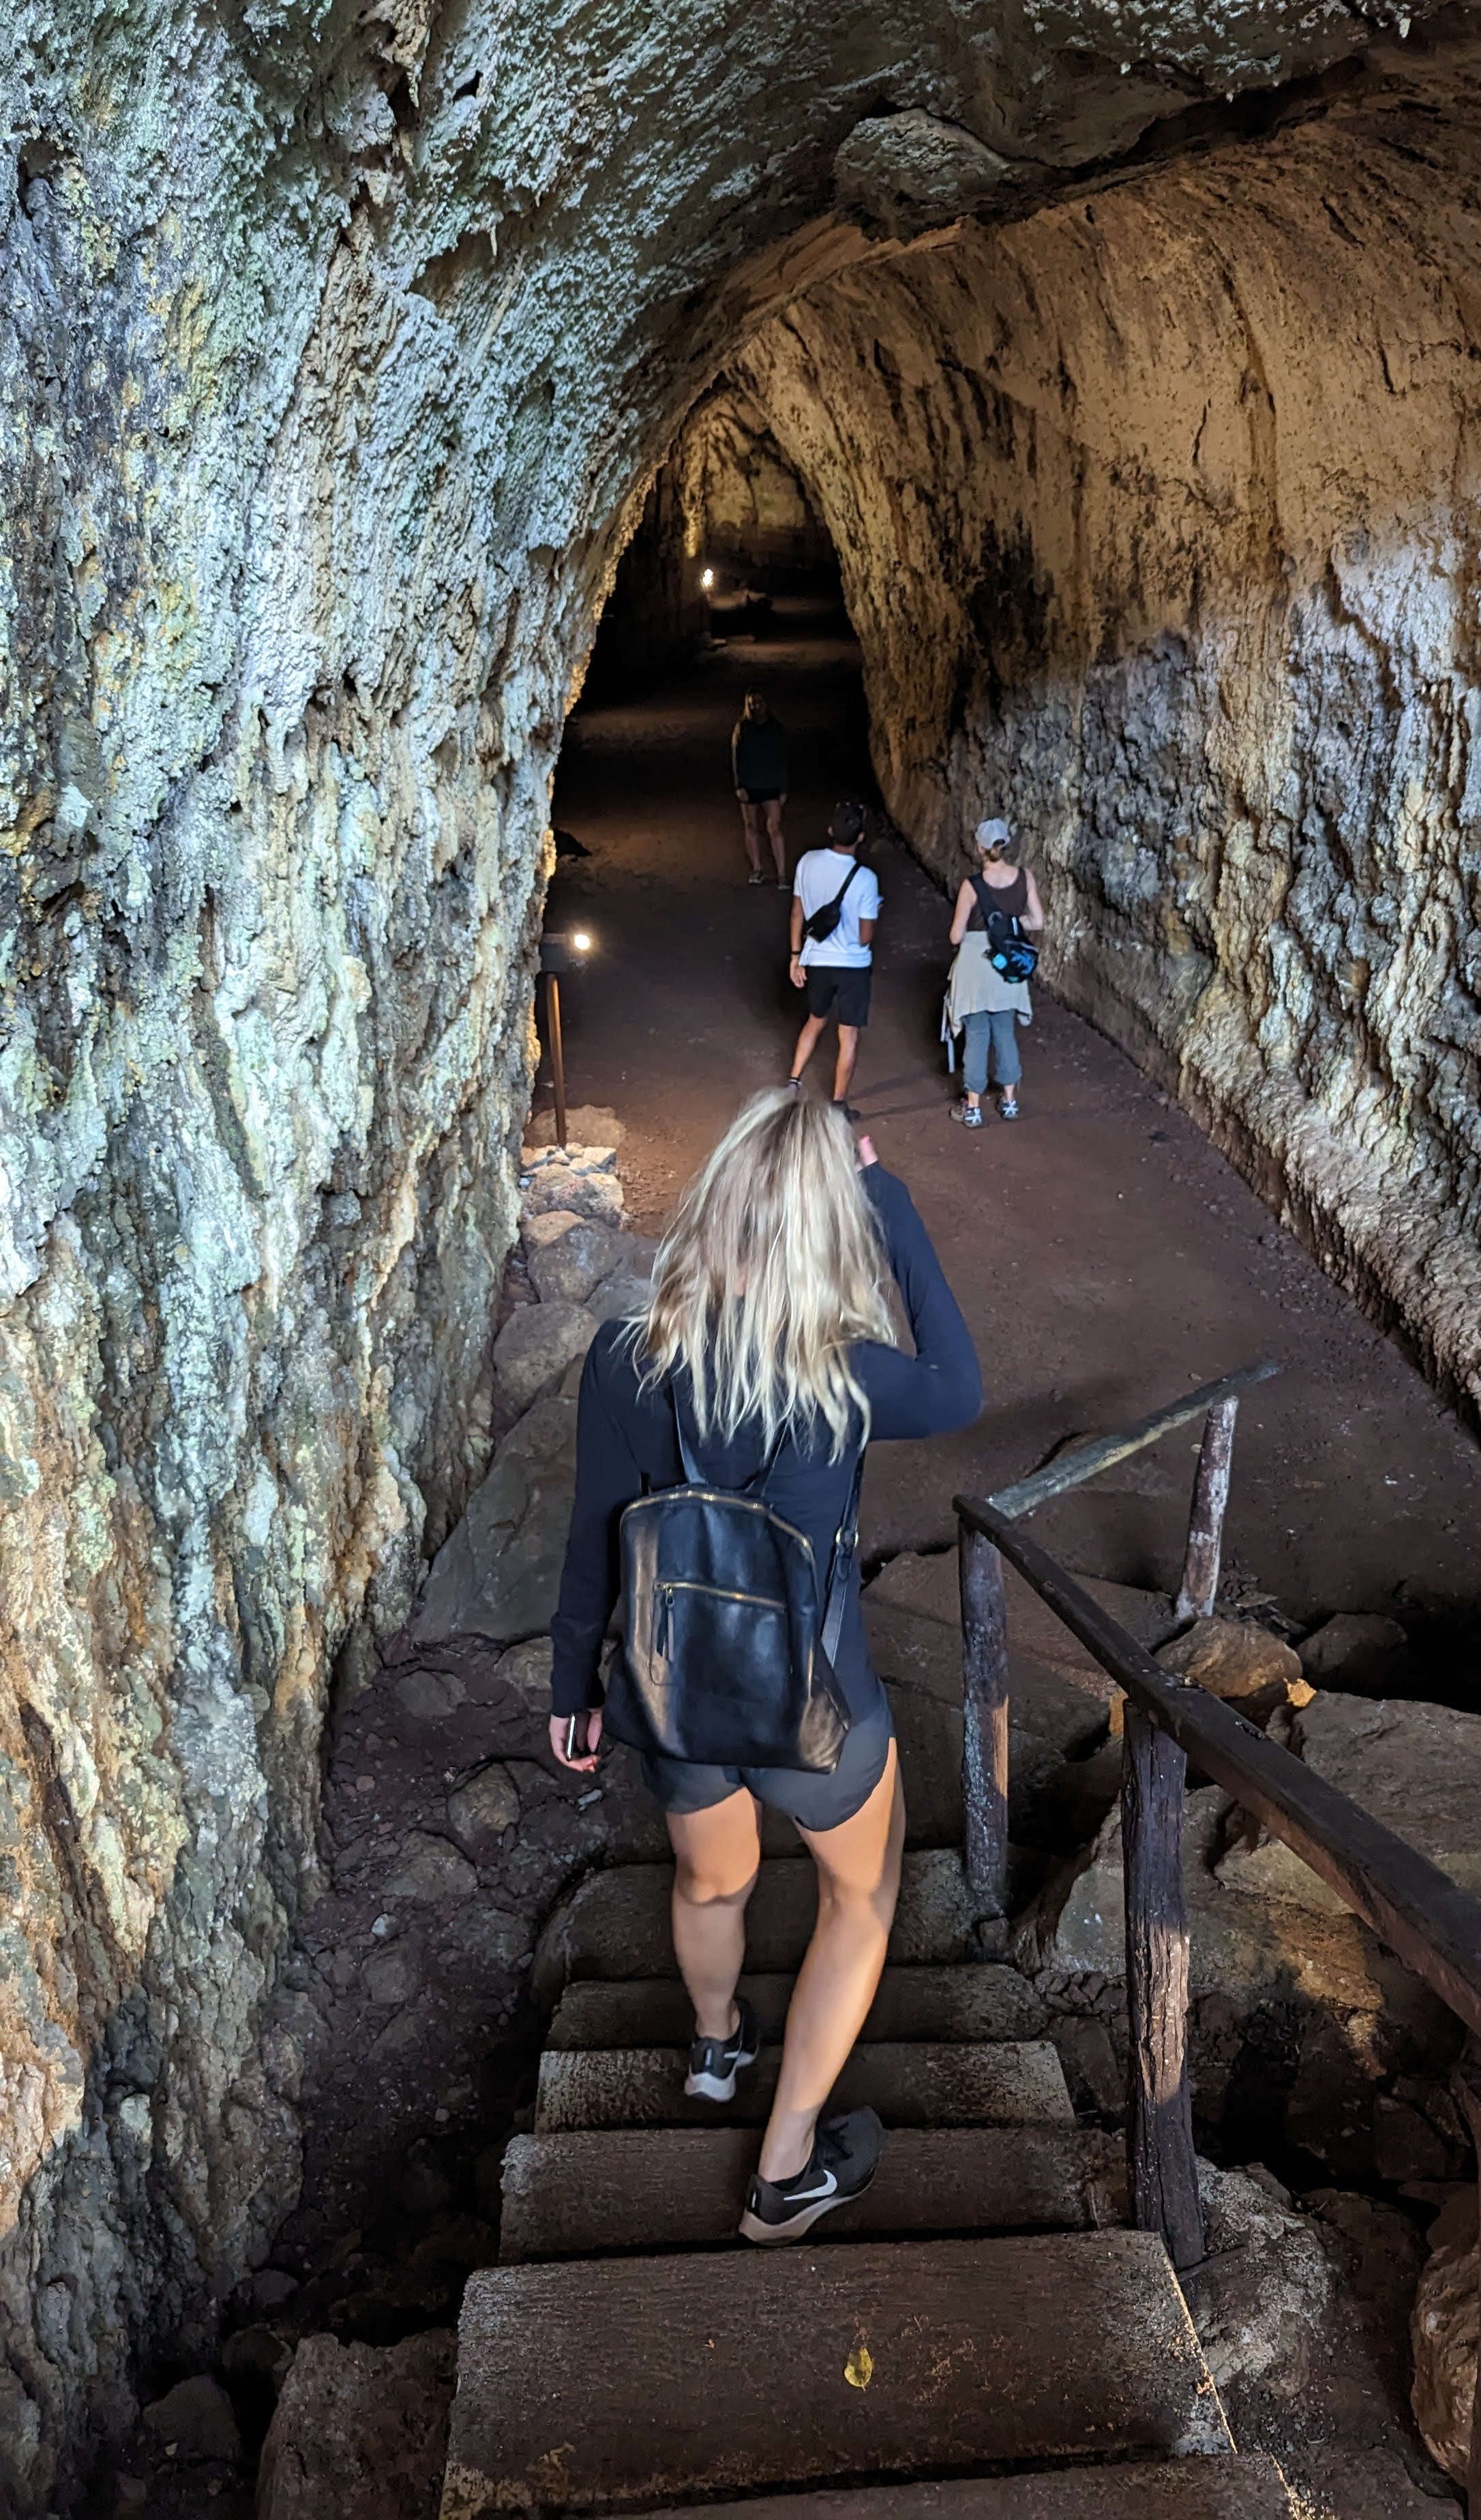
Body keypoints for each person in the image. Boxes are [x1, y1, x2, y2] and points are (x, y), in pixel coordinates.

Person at [549, 1089, 981, 2243]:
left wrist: (570, 1684)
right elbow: (958, 1384)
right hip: (811, 1705)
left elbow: (598, 1527)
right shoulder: (843, 1374)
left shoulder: (621, 1358)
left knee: (710, 1881)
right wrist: (881, 1195)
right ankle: (784, 2169)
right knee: (861, 1893)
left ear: (718, 1197)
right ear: (821, 1226)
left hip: (672, 1690)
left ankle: (712, 2045)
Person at [945, 816, 1045, 1127]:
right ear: (1006, 844)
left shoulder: (971, 886)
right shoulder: (1025, 878)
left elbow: (955, 936)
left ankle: (973, 1108)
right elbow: (1038, 921)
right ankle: (1010, 1101)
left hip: (977, 963)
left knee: (976, 1035)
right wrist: (1010, 927)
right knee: (1005, 1031)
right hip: (1008, 963)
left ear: (980, 848)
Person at [788, 801, 881, 1110]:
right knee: (848, 1036)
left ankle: (793, 1081)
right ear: (861, 837)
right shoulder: (866, 878)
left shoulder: (807, 862)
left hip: (817, 960)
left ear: (830, 831)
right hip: (853, 966)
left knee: (815, 1021)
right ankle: (838, 1104)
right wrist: (874, 912)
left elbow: (797, 913)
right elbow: (865, 938)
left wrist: (795, 955)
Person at [732, 691, 789, 885]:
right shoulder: (743, 728)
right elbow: (737, 757)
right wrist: (739, 784)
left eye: (759, 702)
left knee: (775, 826)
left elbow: (782, 759)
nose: (756, 707)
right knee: (751, 827)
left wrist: (782, 788)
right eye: (752, 703)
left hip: (770, 784)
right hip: (750, 784)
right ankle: (758, 869)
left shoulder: (775, 729)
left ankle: (782, 874)